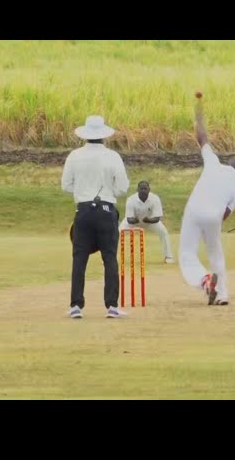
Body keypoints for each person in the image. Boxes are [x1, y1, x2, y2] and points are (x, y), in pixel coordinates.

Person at [61, 115, 130, 319]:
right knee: (109, 258)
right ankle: (112, 306)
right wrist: (109, 192)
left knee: (79, 258)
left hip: (82, 210)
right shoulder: (113, 156)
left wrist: (82, 192)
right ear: (104, 136)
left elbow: (66, 185)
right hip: (106, 210)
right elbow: (123, 187)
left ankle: (76, 306)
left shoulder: (74, 155)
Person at [179, 95, 235, 306]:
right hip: (215, 216)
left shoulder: (214, 162)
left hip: (195, 209)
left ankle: (204, 280)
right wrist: (213, 224)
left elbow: (202, 138)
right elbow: (226, 214)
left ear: (228, 162)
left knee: (187, 252)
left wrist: (199, 112)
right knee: (215, 252)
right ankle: (223, 294)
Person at [119, 180, 174, 264]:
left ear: (149, 189)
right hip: (133, 222)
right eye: (141, 189)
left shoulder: (155, 198)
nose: (143, 191)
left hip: (150, 222)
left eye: (145, 189)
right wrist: (135, 220)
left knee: (164, 232)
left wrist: (148, 220)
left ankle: (169, 256)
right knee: (117, 233)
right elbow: (129, 219)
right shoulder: (131, 199)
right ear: (137, 190)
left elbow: (157, 218)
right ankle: (110, 257)